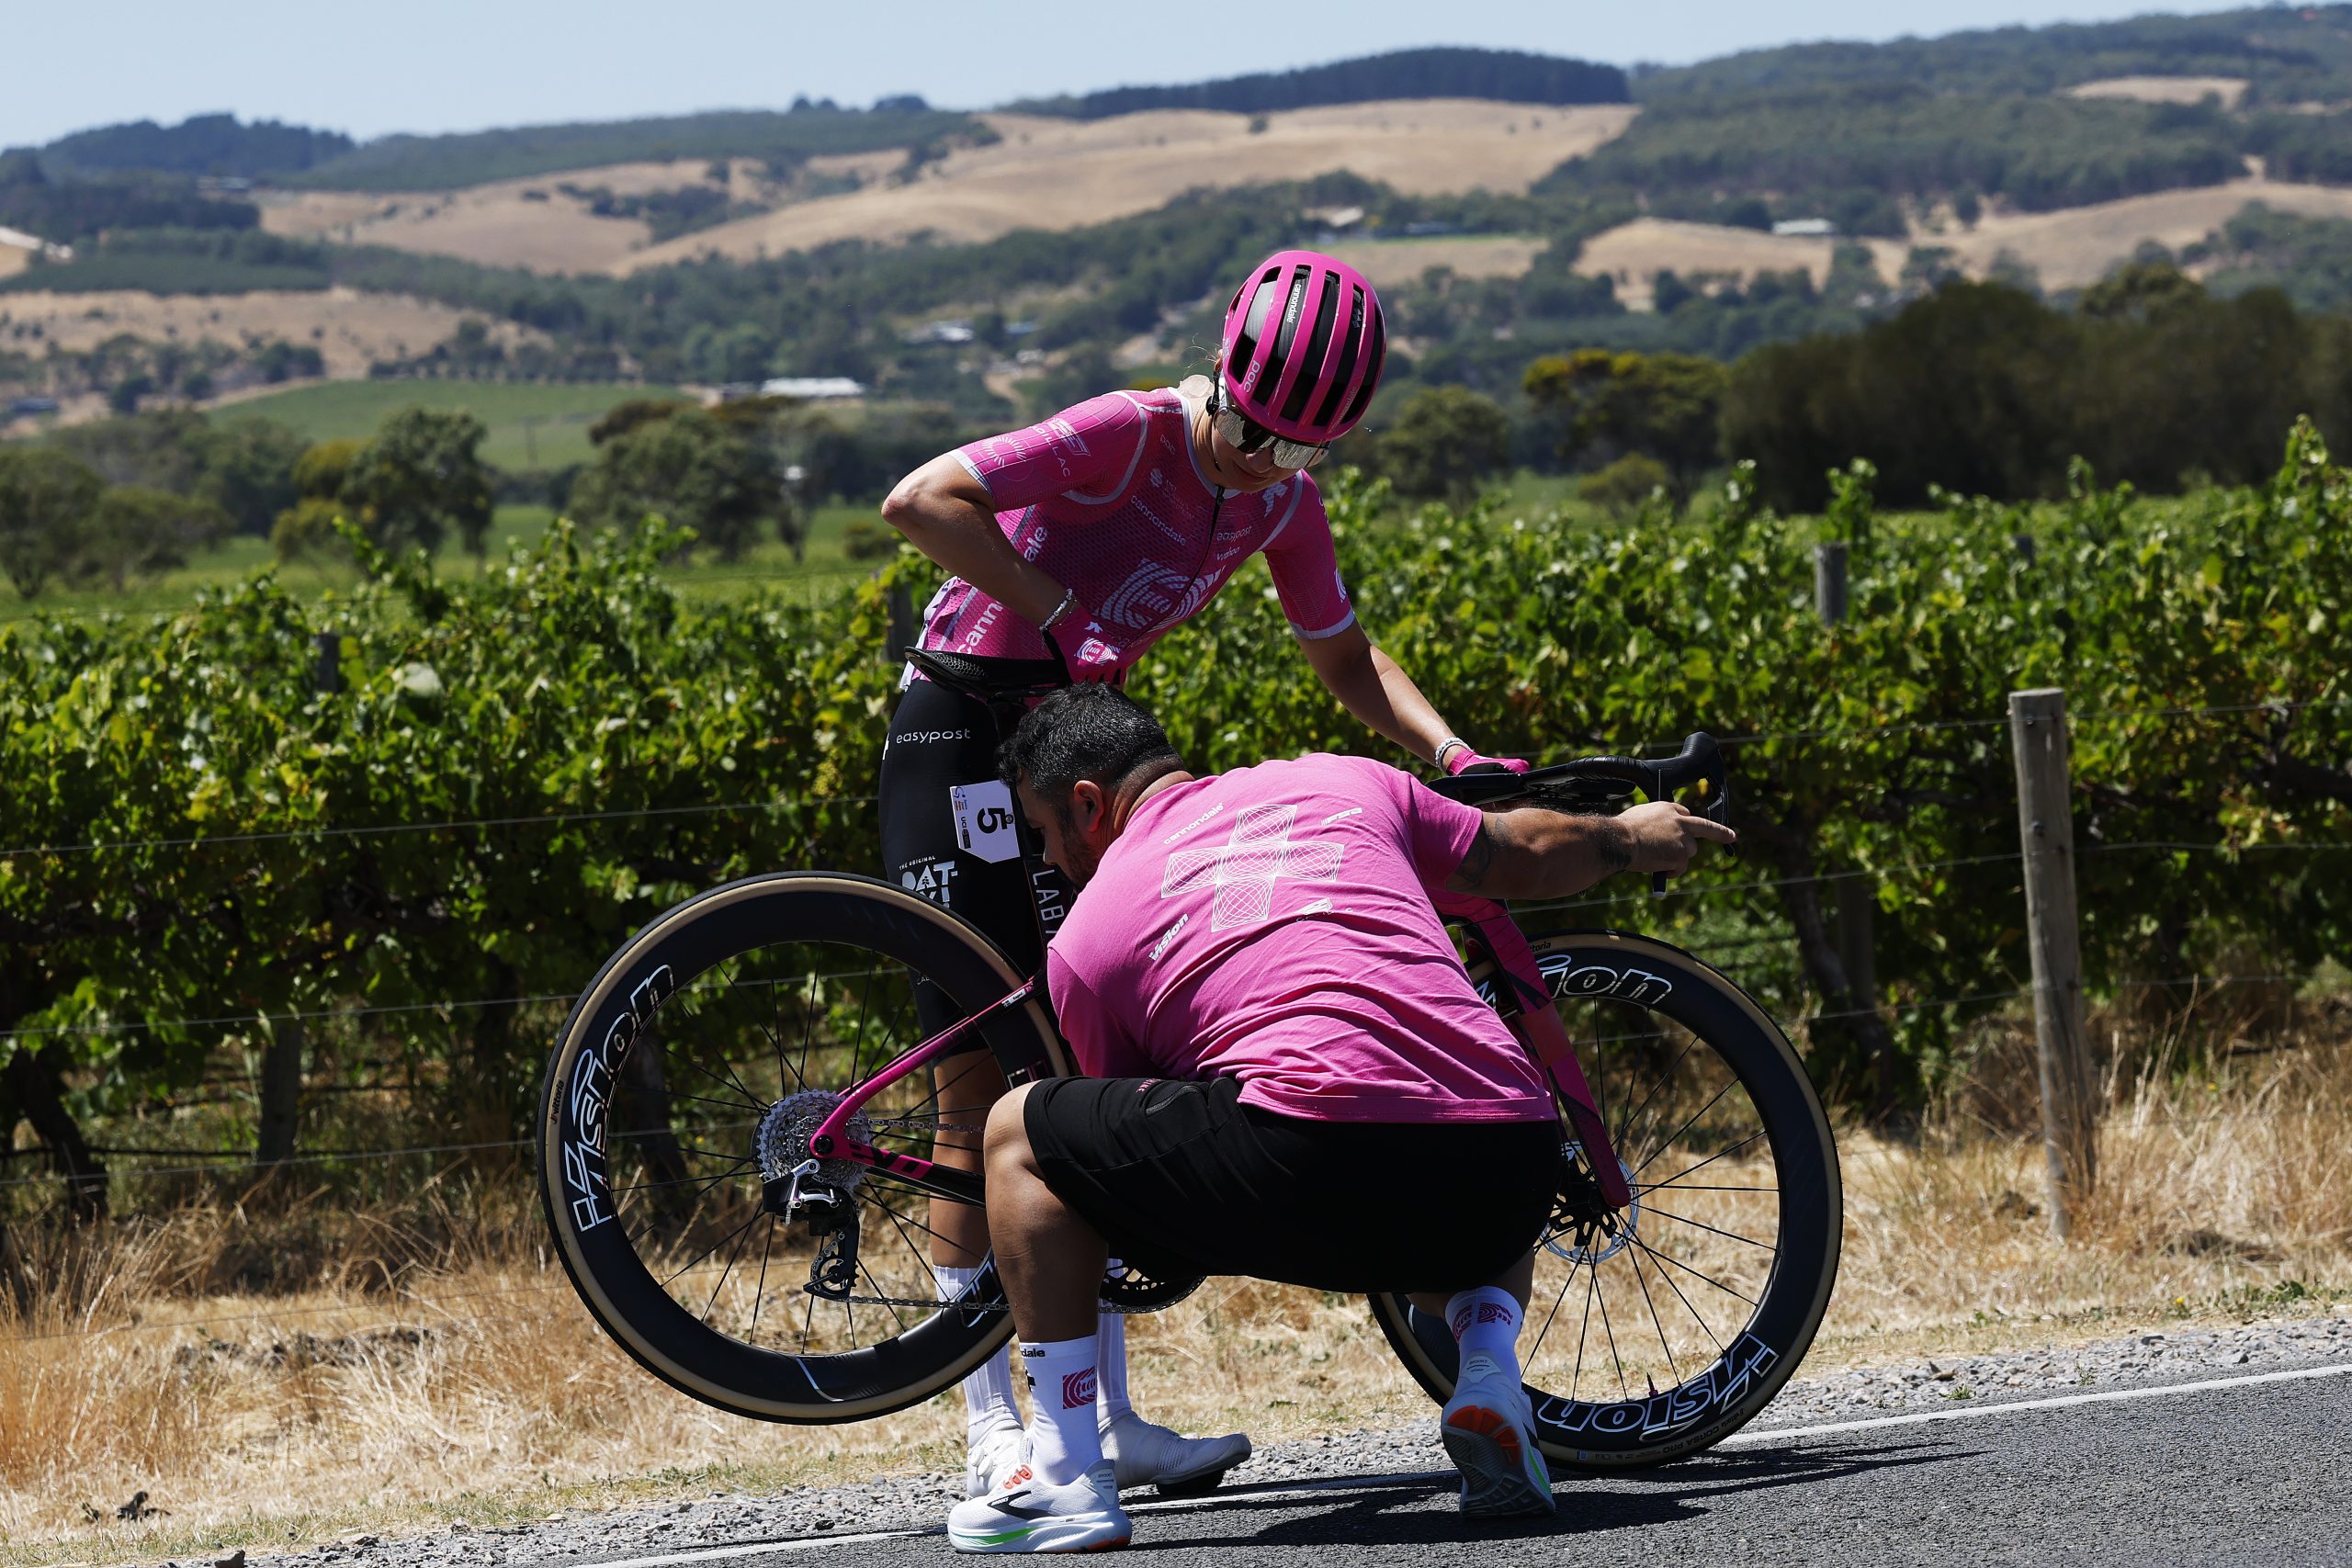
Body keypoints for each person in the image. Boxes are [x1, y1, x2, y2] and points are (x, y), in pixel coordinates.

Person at [877, 251, 1527, 1500]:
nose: (1264, 463)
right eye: (1253, 430)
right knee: (980, 1086)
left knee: (1084, 1084)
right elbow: (922, 501)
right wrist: (1061, 611)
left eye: (1301, 449)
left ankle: (1109, 1416)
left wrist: (1449, 751)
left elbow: (1344, 655)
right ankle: (992, 1432)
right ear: (1220, 373)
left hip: (1078, 750)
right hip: (961, 727)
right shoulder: (1126, 435)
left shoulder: (1282, 501)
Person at [944, 687, 1736, 1553]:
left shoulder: (1085, 941)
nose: (1049, 859)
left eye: (1044, 832)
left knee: (1020, 1133)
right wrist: (1628, 835)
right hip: (1514, 1158)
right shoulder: (1343, 779)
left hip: (1308, 1164)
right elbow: (1521, 850)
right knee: (1456, 1092)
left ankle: (1065, 1476)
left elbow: (1122, 1161)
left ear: (1089, 804)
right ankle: (1487, 1374)